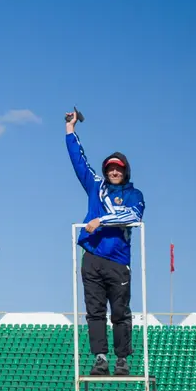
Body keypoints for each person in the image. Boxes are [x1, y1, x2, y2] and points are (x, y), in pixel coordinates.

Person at [65, 110, 145, 376]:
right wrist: (70, 129)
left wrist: (102, 220)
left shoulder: (134, 194)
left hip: (118, 261)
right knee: (94, 312)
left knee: (120, 312)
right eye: (110, 167)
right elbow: (79, 161)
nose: (113, 171)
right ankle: (100, 358)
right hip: (92, 258)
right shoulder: (95, 187)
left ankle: (122, 360)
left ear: (125, 172)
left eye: (118, 169)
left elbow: (133, 215)